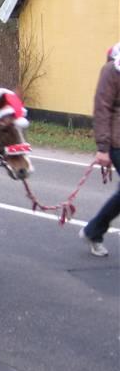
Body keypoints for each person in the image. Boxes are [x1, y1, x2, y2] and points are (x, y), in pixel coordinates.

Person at [79, 53, 120, 257]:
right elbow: (102, 108)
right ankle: (94, 231)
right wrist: (103, 148)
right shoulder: (113, 70)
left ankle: (93, 231)